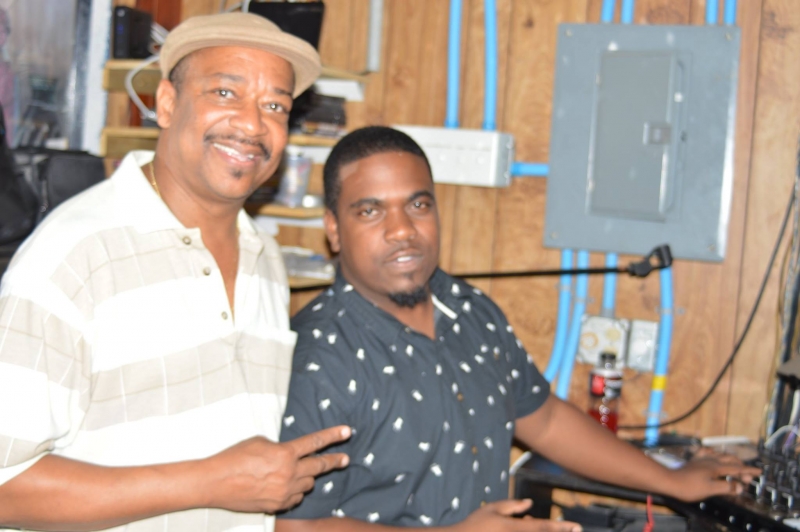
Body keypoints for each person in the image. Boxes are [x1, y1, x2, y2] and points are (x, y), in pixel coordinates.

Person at [276, 126, 760, 532]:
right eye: (370, 210)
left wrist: (670, 480)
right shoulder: (318, 356)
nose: (402, 229)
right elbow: (294, 527)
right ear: (333, 229)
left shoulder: (470, 309)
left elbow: (543, 419)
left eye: (418, 205)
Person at [0, 13, 351, 532]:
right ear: (166, 104)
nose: (252, 124)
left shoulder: (265, 258)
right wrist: (208, 482)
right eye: (226, 93)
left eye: (275, 105)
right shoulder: (74, 256)